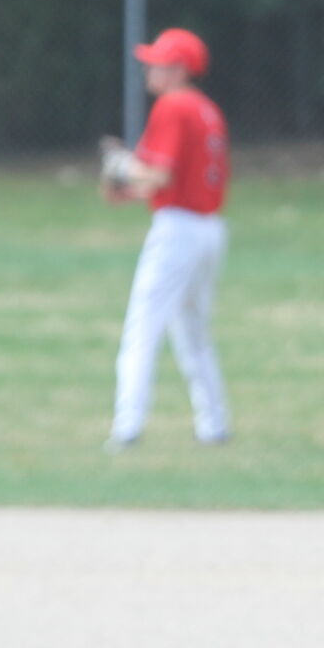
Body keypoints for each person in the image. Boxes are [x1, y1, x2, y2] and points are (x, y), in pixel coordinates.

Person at [101, 27, 232, 451]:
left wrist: (122, 167)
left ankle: (127, 426)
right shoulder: (206, 109)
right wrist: (134, 186)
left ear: (178, 69)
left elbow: (159, 173)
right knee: (192, 331)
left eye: (156, 61)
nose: (148, 67)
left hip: (178, 229)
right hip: (209, 228)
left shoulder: (174, 105)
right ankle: (214, 425)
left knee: (144, 324)